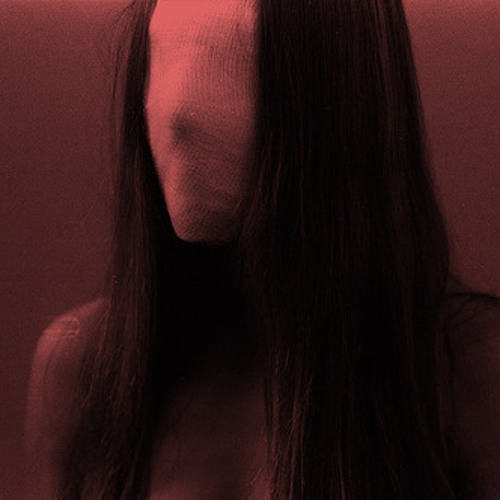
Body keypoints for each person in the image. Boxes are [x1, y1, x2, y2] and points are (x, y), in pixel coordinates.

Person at [24, 0, 500, 498]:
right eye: (166, 57)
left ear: (334, 93)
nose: (181, 115)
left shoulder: (467, 367)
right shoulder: (86, 366)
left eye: (227, 62)